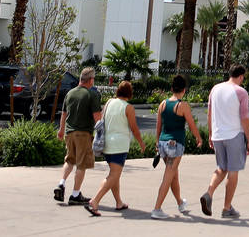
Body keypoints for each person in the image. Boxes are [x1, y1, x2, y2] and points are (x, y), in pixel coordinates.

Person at [85, 81, 145, 216]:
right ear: (130, 93)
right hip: (119, 145)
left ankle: (119, 202)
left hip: (107, 144)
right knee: (113, 175)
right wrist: (141, 142)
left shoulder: (109, 103)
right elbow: (134, 128)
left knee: (115, 174)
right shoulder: (128, 107)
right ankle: (95, 201)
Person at [200, 65, 249, 219]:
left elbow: (209, 113)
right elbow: (244, 118)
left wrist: (210, 134)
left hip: (217, 135)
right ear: (241, 76)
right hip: (234, 135)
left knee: (221, 168)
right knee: (233, 170)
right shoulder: (241, 92)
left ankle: (208, 193)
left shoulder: (215, 89)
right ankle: (226, 207)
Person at [152, 74, 203, 220]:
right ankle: (157, 209)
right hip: (175, 145)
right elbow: (191, 124)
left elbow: (158, 126)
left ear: (171, 88)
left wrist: (157, 142)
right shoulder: (182, 105)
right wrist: (198, 138)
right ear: (184, 90)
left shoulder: (163, 104)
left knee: (173, 175)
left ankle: (180, 203)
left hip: (163, 143)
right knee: (168, 177)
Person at [54, 67, 102, 205]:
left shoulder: (70, 93)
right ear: (91, 80)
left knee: (69, 160)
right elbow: (97, 116)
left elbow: (64, 114)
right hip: (83, 133)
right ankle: (75, 194)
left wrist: (61, 130)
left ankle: (61, 183)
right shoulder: (91, 95)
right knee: (82, 164)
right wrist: (101, 132)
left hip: (69, 133)